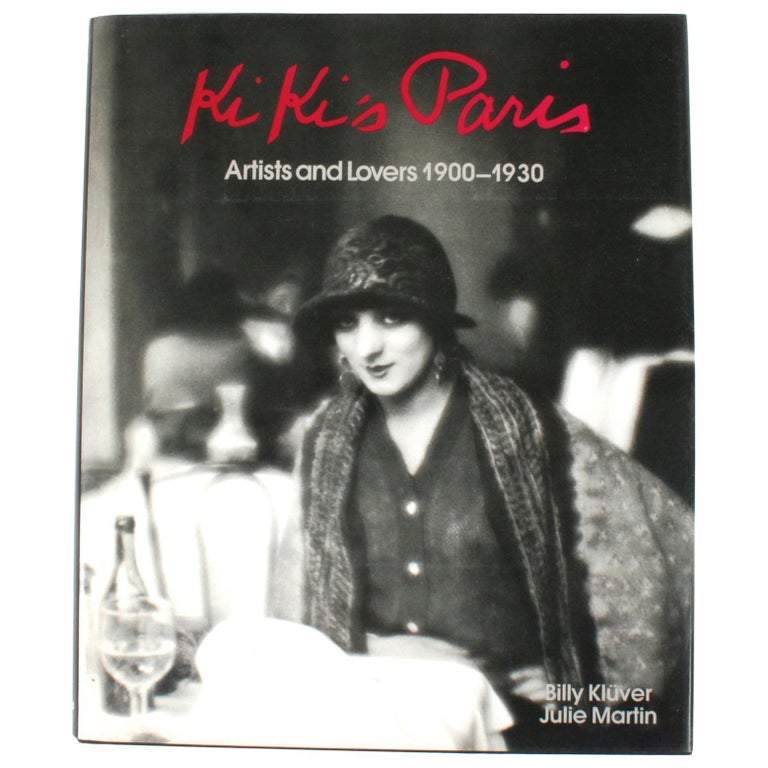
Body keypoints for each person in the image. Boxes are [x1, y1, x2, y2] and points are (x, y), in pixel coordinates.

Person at [286, 215, 693, 752]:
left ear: (437, 320)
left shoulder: (528, 429)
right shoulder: (325, 440)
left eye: (391, 317)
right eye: (347, 323)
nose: (367, 348)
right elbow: (300, 610)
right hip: (373, 712)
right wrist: (380, 648)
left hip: (508, 729)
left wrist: (581, 690)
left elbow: (663, 556)